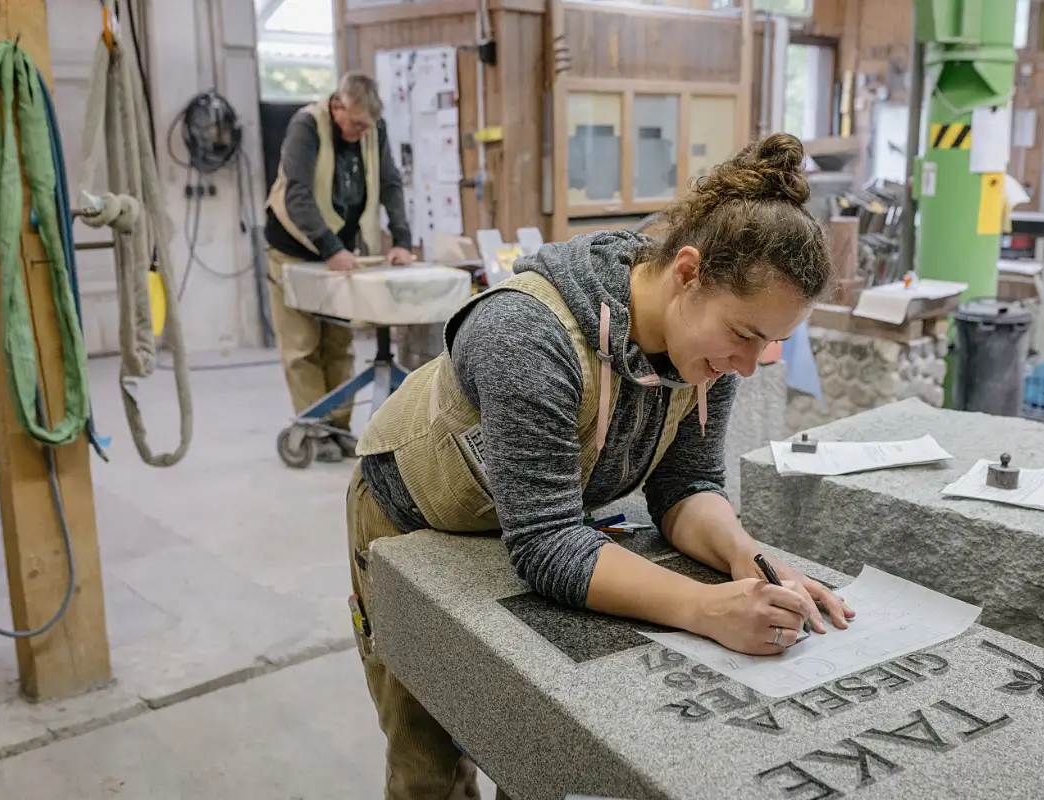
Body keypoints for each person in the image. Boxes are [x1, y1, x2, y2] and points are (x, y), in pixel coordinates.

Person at [345, 132, 855, 799]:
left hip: (538, 519)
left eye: (773, 343)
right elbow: (548, 544)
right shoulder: (526, 337)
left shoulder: (711, 348)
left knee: (530, 738)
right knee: (428, 756)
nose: (751, 363)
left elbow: (686, 486)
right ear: (687, 273)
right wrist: (705, 608)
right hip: (409, 516)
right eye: (746, 336)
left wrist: (744, 557)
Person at [265, 72, 415, 463]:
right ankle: (315, 429)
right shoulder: (306, 127)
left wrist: (400, 239)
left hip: (340, 250)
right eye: (355, 124)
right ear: (337, 108)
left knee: (338, 341)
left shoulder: (371, 130)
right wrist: (330, 247)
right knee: (302, 344)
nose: (361, 131)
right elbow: (297, 194)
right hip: (294, 248)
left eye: (367, 125)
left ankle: (340, 429)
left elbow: (391, 183)